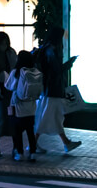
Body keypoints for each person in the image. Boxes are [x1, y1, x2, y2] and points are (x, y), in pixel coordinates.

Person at [35, 26, 81, 154]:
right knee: (51, 117)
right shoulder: (51, 50)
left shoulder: (47, 49)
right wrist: (69, 63)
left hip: (49, 89)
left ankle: (66, 143)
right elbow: (57, 70)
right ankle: (65, 143)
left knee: (52, 116)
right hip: (53, 89)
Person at [6, 50, 42, 162]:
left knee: (17, 131)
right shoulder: (35, 71)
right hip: (31, 107)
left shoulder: (16, 72)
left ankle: (20, 153)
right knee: (30, 131)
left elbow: (8, 86)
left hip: (18, 107)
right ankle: (32, 154)